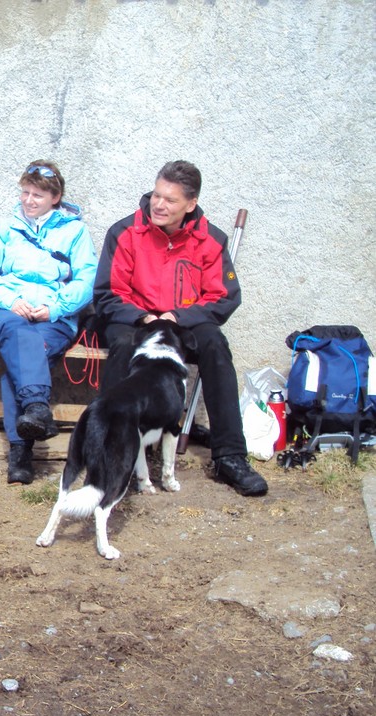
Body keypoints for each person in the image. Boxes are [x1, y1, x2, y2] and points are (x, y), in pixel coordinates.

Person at [93, 160, 268, 496]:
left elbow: (224, 297)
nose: (158, 204)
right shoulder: (124, 232)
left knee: (215, 344)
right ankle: (112, 452)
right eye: (157, 195)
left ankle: (230, 456)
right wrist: (143, 316)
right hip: (136, 320)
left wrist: (179, 317)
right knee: (124, 344)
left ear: (190, 204)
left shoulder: (211, 239)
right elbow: (107, 293)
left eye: (170, 200)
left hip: (182, 323)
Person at [0, 161, 98, 485]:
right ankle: (38, 407)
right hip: (7, 312)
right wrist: (10, 300)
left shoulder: (75, 232)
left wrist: (55, 307)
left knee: (22, 361)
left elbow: (87, 280)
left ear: (55, 197)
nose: (28, 200)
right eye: (25, 192)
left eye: (37, 195)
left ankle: (21, 453)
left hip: (53, 318)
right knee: (22, 340)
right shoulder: (6, 229)